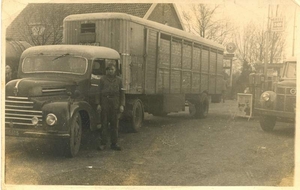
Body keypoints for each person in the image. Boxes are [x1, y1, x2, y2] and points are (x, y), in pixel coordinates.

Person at [95, 64, 125, 151]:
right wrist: (98, 104)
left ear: (115, 70)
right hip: (105, 103)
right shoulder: (102, 80)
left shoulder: (119, 80)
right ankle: (103, 143)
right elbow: (98, 92)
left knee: (115, 124)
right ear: (106, 71)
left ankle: (114, 143)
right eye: (108, 70)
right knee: (104, 124)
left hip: (115, 104)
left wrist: (122, 105)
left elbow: (122, 93)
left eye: (112, 69)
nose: (110, 71)